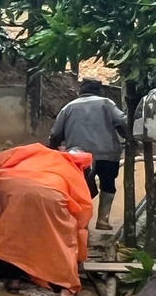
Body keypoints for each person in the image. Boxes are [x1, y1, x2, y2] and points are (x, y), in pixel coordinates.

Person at [0, 143, 92, 296]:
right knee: (61, 241)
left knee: (11, 232)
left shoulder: (39, 152)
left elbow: (3, 158)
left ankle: (13, 279)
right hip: (49, 192)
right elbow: (82, 211)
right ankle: (66, 292)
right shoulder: (73, 170)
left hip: (9, 185)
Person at [49, 78, 127, 231]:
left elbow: (55, 133)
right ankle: (103, 220)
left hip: (79, 157)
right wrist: (127, 137)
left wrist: (53, 150)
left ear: (80, 90)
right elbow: (122, 122)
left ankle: (80, 221)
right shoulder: (107, 104)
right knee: (108, 184)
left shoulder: (68, 107)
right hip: (107, 153)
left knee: (81, 187)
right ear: (99, 91)